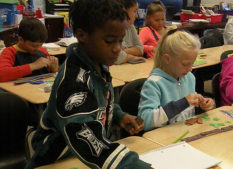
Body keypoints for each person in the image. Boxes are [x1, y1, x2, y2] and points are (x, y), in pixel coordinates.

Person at [25, 0, 152, 168]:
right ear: (82, 35)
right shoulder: (73, 82)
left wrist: (119, 116)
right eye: (109, 41)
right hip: (55, 160)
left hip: (82, 158)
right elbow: (86, 139)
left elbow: (98, 102)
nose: (117, 49)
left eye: (120, 41)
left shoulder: (99, 64)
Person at [138, 29, 215, 131]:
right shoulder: (154, 84)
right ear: (167, 59)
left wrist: (203, 103)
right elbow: (144, 121)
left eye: (192, 64)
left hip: (185, 135)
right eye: (185, 64)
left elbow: (191, 104)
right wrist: (182, 103)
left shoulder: (189, 77)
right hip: (163, 140)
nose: (190, 69)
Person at [0, 17, 59, 82]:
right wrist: (33, 66)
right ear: (21, 40)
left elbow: (51, 76)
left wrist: (54, 69)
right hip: (18, 90)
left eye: (41, 45)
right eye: (34, 46)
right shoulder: (10, 52)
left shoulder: (42, 51)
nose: (38, 48)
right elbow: (2, 74)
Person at [115, 0, 146, 64]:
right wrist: (131, 57)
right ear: (124, 11)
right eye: (135, 11)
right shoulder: (111, 28)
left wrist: (122, 52)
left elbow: (140, 49)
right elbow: (114, 55)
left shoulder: (131, 26)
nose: (137, 16)